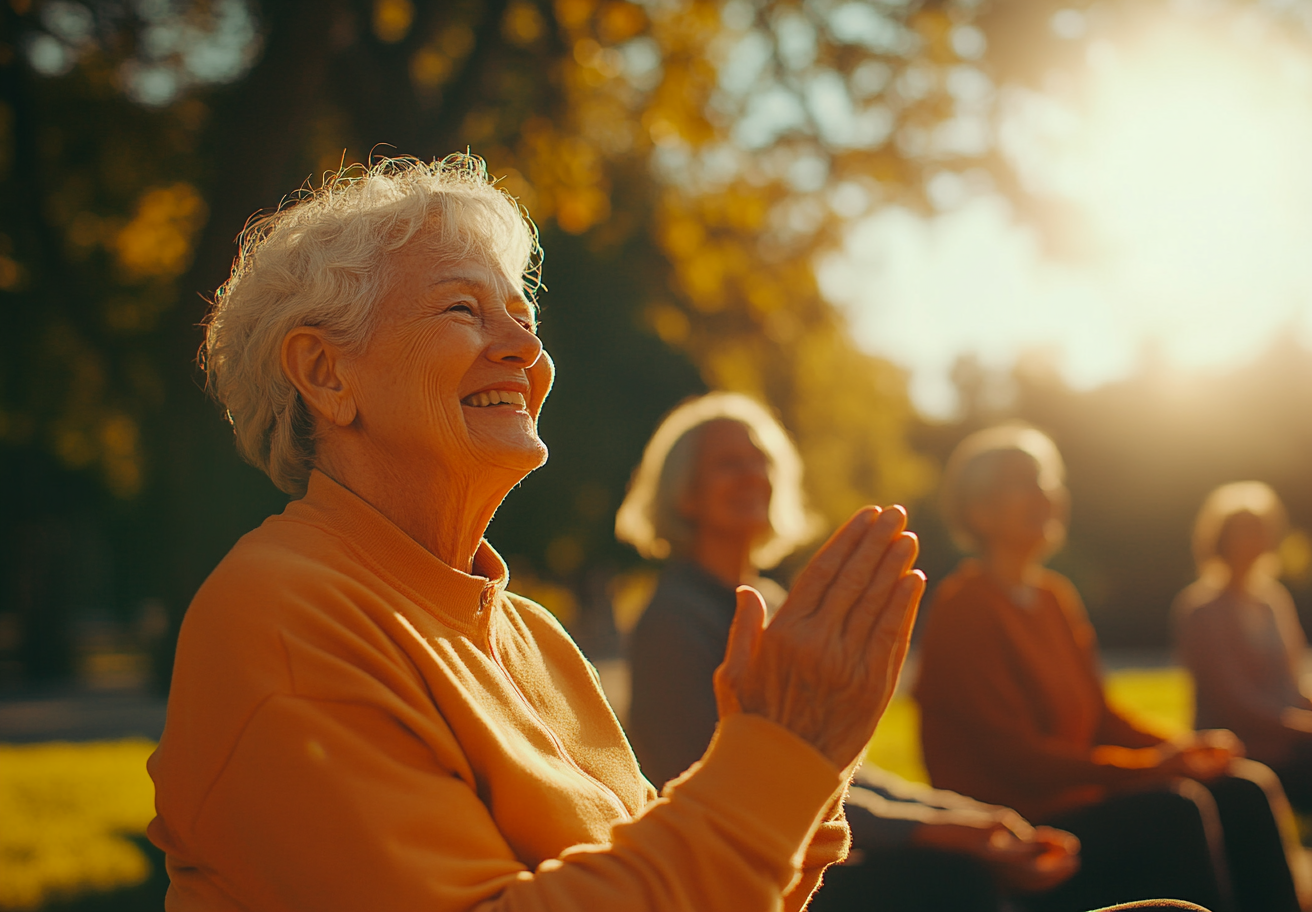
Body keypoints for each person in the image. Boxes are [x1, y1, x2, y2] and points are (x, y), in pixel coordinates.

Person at [144, 154, 930, 912]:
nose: (525, 348)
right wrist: (777, 757)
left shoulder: (534, 636)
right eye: (462, 309)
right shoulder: (283, 617)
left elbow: (695, 889)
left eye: (523, 317)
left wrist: (811, 762)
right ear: (325, 372)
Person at [619, 395, 1080, 911]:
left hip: (800, 845)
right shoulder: (671, 621)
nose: (752, 475)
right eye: (728, 464)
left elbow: (835, 762)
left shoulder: (778, 604)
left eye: (760, 460)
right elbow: (716, 784)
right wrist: (925, 829)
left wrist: (959, 814)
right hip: (733, 873)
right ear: (684, 495)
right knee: (952, 878)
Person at [915, 424, 1307, 912]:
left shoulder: (1054, 597)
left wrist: (1181, 748)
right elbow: (1016, 761)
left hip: (1078, 795)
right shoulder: (964, 610)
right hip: (1022, 823)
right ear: (979, 509)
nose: (1045, 494)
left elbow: (1100, 716)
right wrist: (1153, 768)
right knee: (1175, 809)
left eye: (1048, 480)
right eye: (1022, 482)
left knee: (1242, 785)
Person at [1175, 481, 1312, 811]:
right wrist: (1303, 729)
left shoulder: (1273, 600)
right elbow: (1234, 705)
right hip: (1241, 748)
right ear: (1221, 538)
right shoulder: (1202, 609)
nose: (1257, 539)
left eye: (1261, 529)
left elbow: (1291, 684)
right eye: (1246, 530)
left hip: (1288, 740)